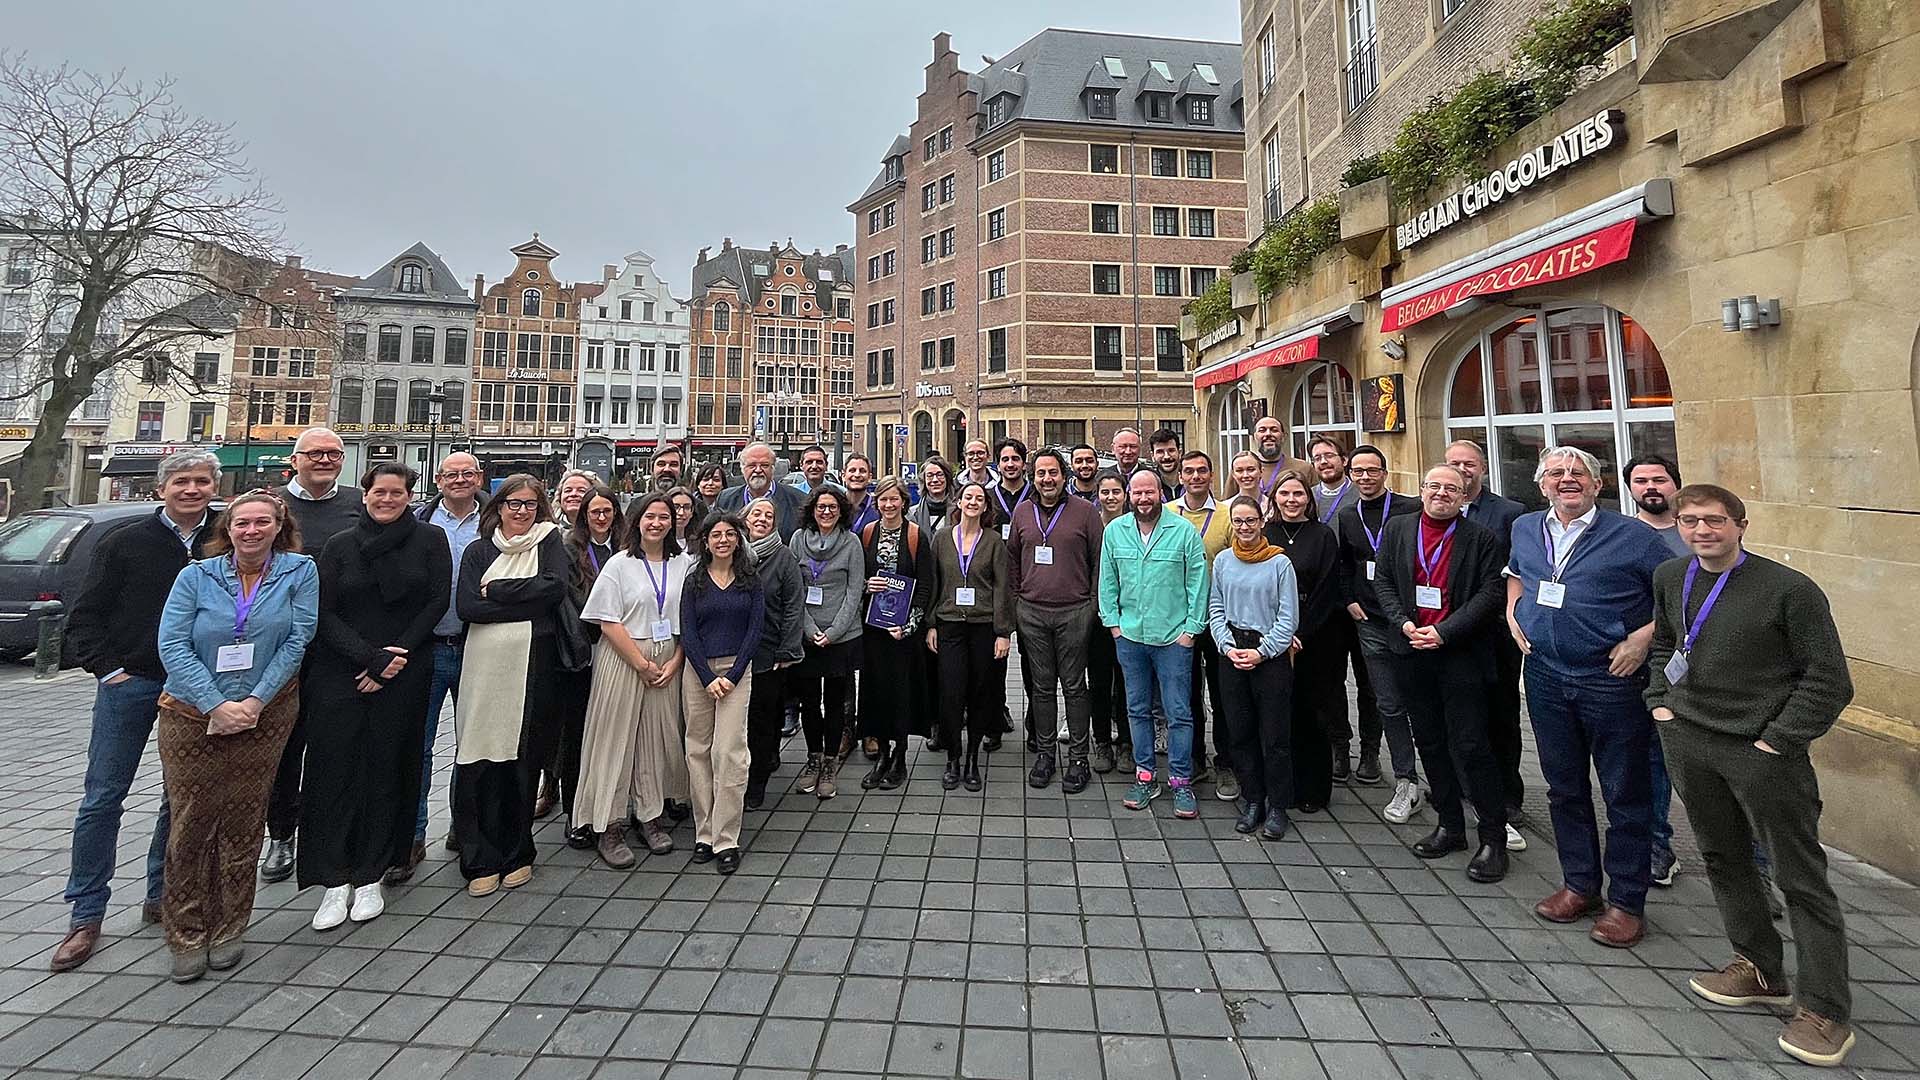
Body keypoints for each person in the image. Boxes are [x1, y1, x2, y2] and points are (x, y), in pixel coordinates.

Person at [1647, 484, 1858, 1069]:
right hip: (1690, 739)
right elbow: (1666, 640)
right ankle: (1760, 967)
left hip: (1762, 754)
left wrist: (1775, 741)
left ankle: (1824, 1009)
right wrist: (1660, 701)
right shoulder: (1671, 575)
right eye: (1690, 521)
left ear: (1742, 524)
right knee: (1722, 856)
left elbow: (1828, 680)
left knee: (1799, 877)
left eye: (1714, 521)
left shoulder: (1790, 591)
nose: (1701, 531)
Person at [54, 450, 219, 973]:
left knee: (182, 797)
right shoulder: (124, 540)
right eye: (181, 482)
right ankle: (86, 913)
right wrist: (107, 670)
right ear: (161, 488)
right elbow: (86, 614)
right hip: (135, 680)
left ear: (213, 486)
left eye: (201, 482)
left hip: (196, 685)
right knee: (104, 796)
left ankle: (163, 892)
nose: (191, 490)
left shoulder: (225, 536)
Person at [1506, 445, 1671, 948]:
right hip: (1546, 675)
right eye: (1556, 472)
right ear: (1542, 484)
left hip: (1610, 679)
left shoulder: (1635, 536)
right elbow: (1516, 575)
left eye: (1579, 473)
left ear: (1599, 485)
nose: (1568, 478)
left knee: (1624, 791)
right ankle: (1580, 884)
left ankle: (1626, 902)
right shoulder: (1526, 527)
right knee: (1563, 786)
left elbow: (1680, 597)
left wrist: (1643, 639)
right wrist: (1514, 614)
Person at [155, 491, 319, 981]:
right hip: (191, 712)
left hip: (266, 711)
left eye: (261, 523)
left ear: (278, 526)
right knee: (191, 820)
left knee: (245, 818)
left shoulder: (299, 571)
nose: (252, 531)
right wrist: (215, 704)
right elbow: (172, 643)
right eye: (242, 523)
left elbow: (298, 638)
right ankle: (185, 931)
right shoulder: (195, 576)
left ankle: (229, 926)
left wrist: (254, 702)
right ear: (227, 528)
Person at [302, 464, 450, 930]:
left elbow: (435, 601)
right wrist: (367, 659)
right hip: (342, 669)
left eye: (397, 493)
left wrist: (392, 658)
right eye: (379, 492)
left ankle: (372, 873)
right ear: (365, 496)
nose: (387, 499)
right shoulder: (339, 546)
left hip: (404, 667)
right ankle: (333, 879)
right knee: (335, 769)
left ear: (410, 496)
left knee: (389, 766)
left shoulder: (429, 541)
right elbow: (321, 611)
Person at [1373, 465, 1509, 883]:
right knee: (1429, 742)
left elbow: (1491, 593)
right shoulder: (1398, 529)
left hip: (1459, 653)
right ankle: (1450, 825)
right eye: (1434, 486)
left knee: (1471, 745)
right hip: (1411, 648)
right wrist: (1402, 623)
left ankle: (1493, 838)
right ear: (1422, 489)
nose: (1441, 494)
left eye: (1451, 488)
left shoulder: (1481, 538)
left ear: (1464, 495)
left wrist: (1445, 632)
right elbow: (1383, 581)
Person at [450, 474, 569, 897]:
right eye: (514, 504)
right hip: (484, 670)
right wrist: (523, 604)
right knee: (480, 758)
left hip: (534, 668)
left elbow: (554, 591)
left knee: (523, 759)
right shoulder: (479, 550)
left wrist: (497, 590)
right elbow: (468, 607)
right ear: (498, 506)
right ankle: (478, 854)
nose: (521, 512)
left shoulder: (549, 543)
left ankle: (518, 850)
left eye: (530, 505)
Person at [261, 427, 362, 885]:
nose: (324, 460)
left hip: (339, 642)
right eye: (315, 453)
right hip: (283, 644)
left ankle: (327, 831)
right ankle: (281, 833)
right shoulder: (273, 507)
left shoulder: (358, 504)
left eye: (333, 454)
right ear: (295, 458)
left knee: (334, 743)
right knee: (284, 744)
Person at [575, 494, 691, 864]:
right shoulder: (619, 565)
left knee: (655, 741)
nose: (656, 523)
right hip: (626, 657)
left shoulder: (682, 563)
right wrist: (640, 663)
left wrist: (675, 661)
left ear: (672, 523)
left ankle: (649, 814)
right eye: (649, 517)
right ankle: (607, 824)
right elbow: (607, 620)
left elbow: (690, 617)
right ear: (637, 521)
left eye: (664, 517)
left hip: (667, 657)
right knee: (615, 740)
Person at [1100, 470, 1208, 819]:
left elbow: (1197, 583)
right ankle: (1145, 776)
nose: (1144, 499)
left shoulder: (1183, 532)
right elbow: (1107, 582)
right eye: (1137, 493)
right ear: (1129, 495)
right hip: (1130, 637)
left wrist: (1191, 630)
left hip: (1174, 638)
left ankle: (1180, 780)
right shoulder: (1115, 532)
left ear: (1161, 493)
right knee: (1136, 709)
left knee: (1179, 712)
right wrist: (1114, 626)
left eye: (1150, 492)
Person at [404, 453, 485, 880]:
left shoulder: (493, 521)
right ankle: (414, 834)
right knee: (419, 745)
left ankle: (462, 823)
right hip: (429, 647)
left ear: (479, 478)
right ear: (438, 479)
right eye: (452, 474)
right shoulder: (418, 521)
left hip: (477, 644)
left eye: (468, 473)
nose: (460, 480)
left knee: (472, 744)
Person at [1334, 444, 1423, 820]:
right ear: (1350, 475)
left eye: (1372, 471)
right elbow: (1345, 563)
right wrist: (1350, 598)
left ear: (1385, 473)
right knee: (1388, 702)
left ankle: (1448, 778)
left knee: (1425, 701)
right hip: (1370, 619)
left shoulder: (1410, 509)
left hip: (1412, 619)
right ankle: (1406, 779)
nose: (1366, 478)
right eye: (1359, 472)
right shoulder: (1347, 515)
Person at [1447, 439, 1528, 850]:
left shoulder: (1509, 514)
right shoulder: (1431, 510)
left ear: (1483, 468)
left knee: (1501, 715)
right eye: (1453, 464)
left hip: (1493, 630)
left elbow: (1516, 572)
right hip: (1444, 630)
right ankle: (1464, 786)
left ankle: (1508, 796)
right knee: (1459, 713)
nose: (1461, 470)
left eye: (1469, 463)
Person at [1006, 449, 1103, 792]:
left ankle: (1078, 758)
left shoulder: (1086, 512)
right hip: (1032, 613)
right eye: (1041, 473)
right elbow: (1013, 560)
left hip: (1074, 612)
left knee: (1075, 686)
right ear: (1034, 478)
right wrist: (1018, 603)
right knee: (1041, 688)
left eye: (1053, 473)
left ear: (1064, 477)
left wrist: (1091, 605)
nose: (1047, 479)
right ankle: (1046, 754)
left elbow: (1098, 562)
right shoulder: (1022, 512)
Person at [678, 511, 765, 875]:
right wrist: (704, 674)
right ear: (706, 541)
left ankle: (726, 836)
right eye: (716, 535)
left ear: (738, 540)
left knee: (729, 751)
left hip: (736, 672)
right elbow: (687, 630)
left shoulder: (749, 581)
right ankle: (704, 831)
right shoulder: (693, 580)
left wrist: (731, 675)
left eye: (730, 534)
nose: (723, 540)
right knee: (698, 749)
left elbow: (755, 630)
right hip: (698, 671)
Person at [1209, 495, 1299, 840]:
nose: (1244, 528)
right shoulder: (1224, 561)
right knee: (1240, 731)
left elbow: (1288, 617)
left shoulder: (1279, 564)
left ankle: (1278, 805)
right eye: (1238, 521)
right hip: (1232, 651)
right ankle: (1253, 799)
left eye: (1251, 521)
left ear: (1262, 522)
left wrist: (1262, 652)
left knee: (1274, 734)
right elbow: (1215, 605)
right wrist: (1226, 645)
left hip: (1269, 656)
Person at [928, 482, 1014, 791]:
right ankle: (953, 756)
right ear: (959, 502)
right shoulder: (940, 539)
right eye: (968, 497)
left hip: (983, 627)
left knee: (980, 692)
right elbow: (933, 584)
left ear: (986, 506)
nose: (973, 502)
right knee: (950, 692)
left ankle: (973, 758)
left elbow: (1004, 588)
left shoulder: (993, 542)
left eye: (979, 498)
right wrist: (931, 624)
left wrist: (1003, 632)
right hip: (949, 625)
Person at [1265, 471, 1338, 815]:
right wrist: (1278, 633)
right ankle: (1280, 783)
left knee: (1312, 710)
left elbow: (1327, 588)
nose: (1291, 500)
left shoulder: (1322, 536)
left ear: (1308, 500)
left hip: (1313, 637)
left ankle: (1314, 787)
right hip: (1272, 635)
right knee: (1278, 712)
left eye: (1298, 494)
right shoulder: (1266, 534)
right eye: (1285, 494)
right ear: (1275, 499)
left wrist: (1300, 633)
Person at [1304, 434, 1375, 786]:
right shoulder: (1309, 498)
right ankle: (1339, 744)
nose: (1324, 462)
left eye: (1329, 456)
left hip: (1361, 604)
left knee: (1368, 681)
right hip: (1327, 604)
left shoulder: (1358, 494)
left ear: (1342, 460)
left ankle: (1371, 750)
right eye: (1317, 458)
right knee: (1330, 681)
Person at [856, 477, 936, 788]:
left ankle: (900, 757)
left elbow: (925, 584)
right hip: (875, 629)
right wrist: (867, 585)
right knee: (876, 692)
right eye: (883, 500)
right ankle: (882, 755)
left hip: (903, 632)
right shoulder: (867, 533)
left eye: (894, 499)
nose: (888, 505)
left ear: (904, 501)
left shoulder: (916, 536)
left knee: (901, 692)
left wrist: (909, 625)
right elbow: (859, 576)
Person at [556, 485, 623, 849]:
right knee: (579, 734)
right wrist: (608, 617)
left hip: (620, 648)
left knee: (611, 732)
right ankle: (575, 812)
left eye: (607, 511)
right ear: (583, 515)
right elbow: (574, 596)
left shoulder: (626, 547)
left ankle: (610, 807)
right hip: (585, 647)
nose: (601, 518)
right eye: (594, 512)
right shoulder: (570, 549)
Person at [791, 486, 864, 798]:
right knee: (809, 702)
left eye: (833, 507)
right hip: (806, 634)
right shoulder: (797, 540)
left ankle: (831, 761)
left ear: (841, 510)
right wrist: (809, 628)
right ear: (812, 509)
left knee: (835, 702)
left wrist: (833, 631)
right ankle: (813, 758)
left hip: (842, 635)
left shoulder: (851, 542)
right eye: (821, 506)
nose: (826, 512)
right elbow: (793, 588)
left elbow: (854, 589)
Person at [1171, 450, 1233, 798]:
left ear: (1211, 475)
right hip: (1180, 616)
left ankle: (1226, 761)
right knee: (1186, 692)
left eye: (1202, 471)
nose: (1195, 477)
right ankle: (1194, 758)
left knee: (1224, 693)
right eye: (1189, 471)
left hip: (1221, 615)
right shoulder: (1168, 514)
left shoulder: (1226, 515)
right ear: (1180, 477)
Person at [743, 498, 805, 809]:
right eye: (757, 513)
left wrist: (788, 648)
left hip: (769, 652)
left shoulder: (784, 558)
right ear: (745, 518)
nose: (763, 519)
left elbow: (794, 605)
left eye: (769, 515)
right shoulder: (731, 552)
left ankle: (757, 780)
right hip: (733, 652)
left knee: (762, 720)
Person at [1086, 473, 1131, 772]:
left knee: (1129, 683)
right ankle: (1102, 741)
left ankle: (1127, 743)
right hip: (1096, 616)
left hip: (1130, 615)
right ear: (1098, 495)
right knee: (1099, 682)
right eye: (1105, 492)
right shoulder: (1090, 524)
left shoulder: (1134, 526)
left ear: (1125, 495)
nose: (1111, 497)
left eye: (1116, 491)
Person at [716, 442, 805, 540]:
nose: (758, 470)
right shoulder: (725, 499)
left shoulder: (798, 500)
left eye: (764, 465)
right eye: (752, 465)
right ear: (742, 469)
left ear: (773, 469)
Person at [989, 438, 1031, 530]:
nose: (1010, 464)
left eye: (1015, 459)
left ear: (1024, 465)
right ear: (998, 466)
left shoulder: (1035, 495)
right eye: (1005, 459)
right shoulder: (988, 497)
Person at [909, 455, 953, 535]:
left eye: (940, 474)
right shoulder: (912, 514)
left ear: (947, 478)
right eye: (930, 475)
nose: (935, 480)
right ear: (924, 480)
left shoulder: (958, 512)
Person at [842, 454, 878, 532]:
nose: (857, 475)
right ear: (843, 476)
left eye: (862, 471)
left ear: (869, 477)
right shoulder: (835, 505)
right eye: (852, 470)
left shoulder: (877, 507)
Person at [1146, 428, 1182, 502]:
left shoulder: (1191, 483)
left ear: (1180, 452)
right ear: (1152, 456)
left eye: (1171, 450)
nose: (1166, 456)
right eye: (1160, 452)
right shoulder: (1148, 486)